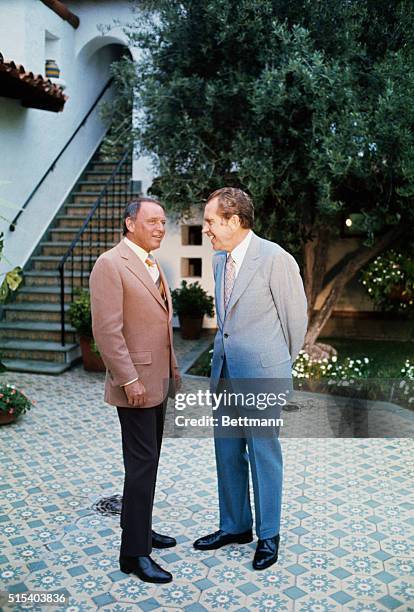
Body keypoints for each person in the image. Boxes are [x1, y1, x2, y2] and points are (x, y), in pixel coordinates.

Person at [193, 187, 307, 570]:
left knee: (263, 456)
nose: (205, 228)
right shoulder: (219, 261)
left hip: (261, 378)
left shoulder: (275, 258)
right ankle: (235, 526)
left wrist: (273, 369)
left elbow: (296, 324)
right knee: (227, 454)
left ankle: (268, 535)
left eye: (210, 221)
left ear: (234, 221)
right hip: (224, 374)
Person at [89, 197, 180, 584]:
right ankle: (133, 555)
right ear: (130, 224)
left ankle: (140, 529)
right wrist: (129, 380)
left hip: (156, 382)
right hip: (136, 385)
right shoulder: (110, 264)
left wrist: (172, 372)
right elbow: (107, 332)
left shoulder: (149, 261)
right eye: (153, 221)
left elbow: (157, 325)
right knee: (142, 466)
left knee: (148, 462)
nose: (161, 227)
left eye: (163, 222)